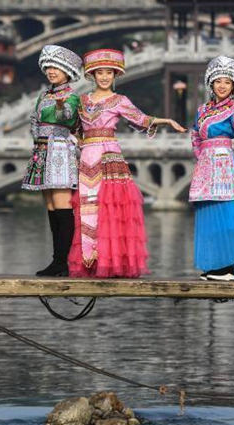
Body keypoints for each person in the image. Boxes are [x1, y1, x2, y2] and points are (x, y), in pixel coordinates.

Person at [68, 49, 186, 278]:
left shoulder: (120, 101)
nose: (104, 77)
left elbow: (141, 119)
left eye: (108, 73)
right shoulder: (81, 101)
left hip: (109, 157)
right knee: (88, 209)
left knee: (111, 208)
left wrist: (166, 121)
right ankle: (91, 262)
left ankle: (112, 263)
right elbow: (74, 128)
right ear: (92, 75)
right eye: (99, 73)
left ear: (115, 75)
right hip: (86, 158)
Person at [189, 56, 234, 281]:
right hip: (206, 166)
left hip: (224, 165)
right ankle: (213, 266)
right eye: (218, 81)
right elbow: (195, 135)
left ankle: (227, 267)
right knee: (208, 216)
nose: (222, 86)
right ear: (211, 84)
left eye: (227, 82)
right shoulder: (202, 110)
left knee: (227, 216)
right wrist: (201, 157)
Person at [22, 46, 83, 276]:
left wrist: (60, 107)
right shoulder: (44, 95)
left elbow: (67, 116)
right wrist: (37, 139)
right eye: (48, 67)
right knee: (50, 205)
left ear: (67, 71)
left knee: (62, 205)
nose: (51, 71)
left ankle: (63, 261)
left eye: (56, 68)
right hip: (42, 150)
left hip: (59, 150)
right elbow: (34, 120)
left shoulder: (71, 96)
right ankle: (56, 260)